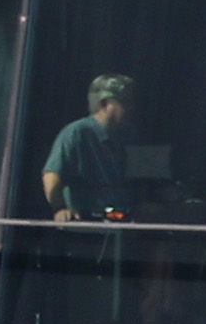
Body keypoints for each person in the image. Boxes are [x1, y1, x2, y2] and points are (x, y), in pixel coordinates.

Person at [40, 74, 135, 222]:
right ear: (104, 104)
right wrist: (60, 209)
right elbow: (51, 175)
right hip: (86, 226)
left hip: (124, 227)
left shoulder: (130, 136)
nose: (132, 108)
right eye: (126, 102)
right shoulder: (77, 133)